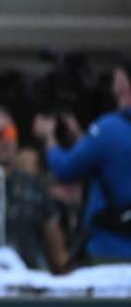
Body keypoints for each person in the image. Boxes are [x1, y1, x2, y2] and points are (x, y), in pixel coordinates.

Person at [33, 61, 131, 263]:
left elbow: (64, 169)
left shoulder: (108, 128)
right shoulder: (107, 132)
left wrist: (49, 137)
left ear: (122, 84)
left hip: (110, 250)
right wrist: (83, 139)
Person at [0, 106, 69, 272]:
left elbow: (57, 248)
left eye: (9, 132)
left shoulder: (34, 184)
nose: (5, 140)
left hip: (32, 285)